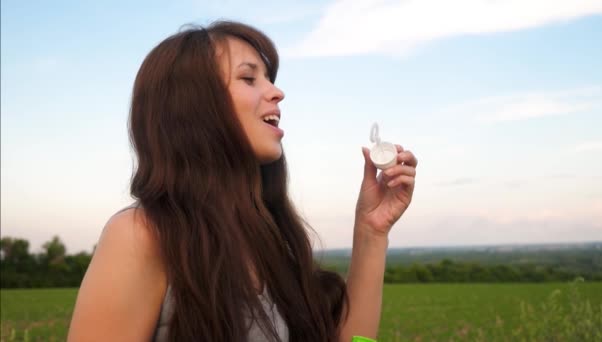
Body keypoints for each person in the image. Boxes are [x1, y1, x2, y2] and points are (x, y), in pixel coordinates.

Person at [67, 21, 417, 342]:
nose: (277, 92)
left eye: (269, 78)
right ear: (194, 105)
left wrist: (371, 233)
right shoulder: (141, 234)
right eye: (249, 78)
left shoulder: (273, 243)